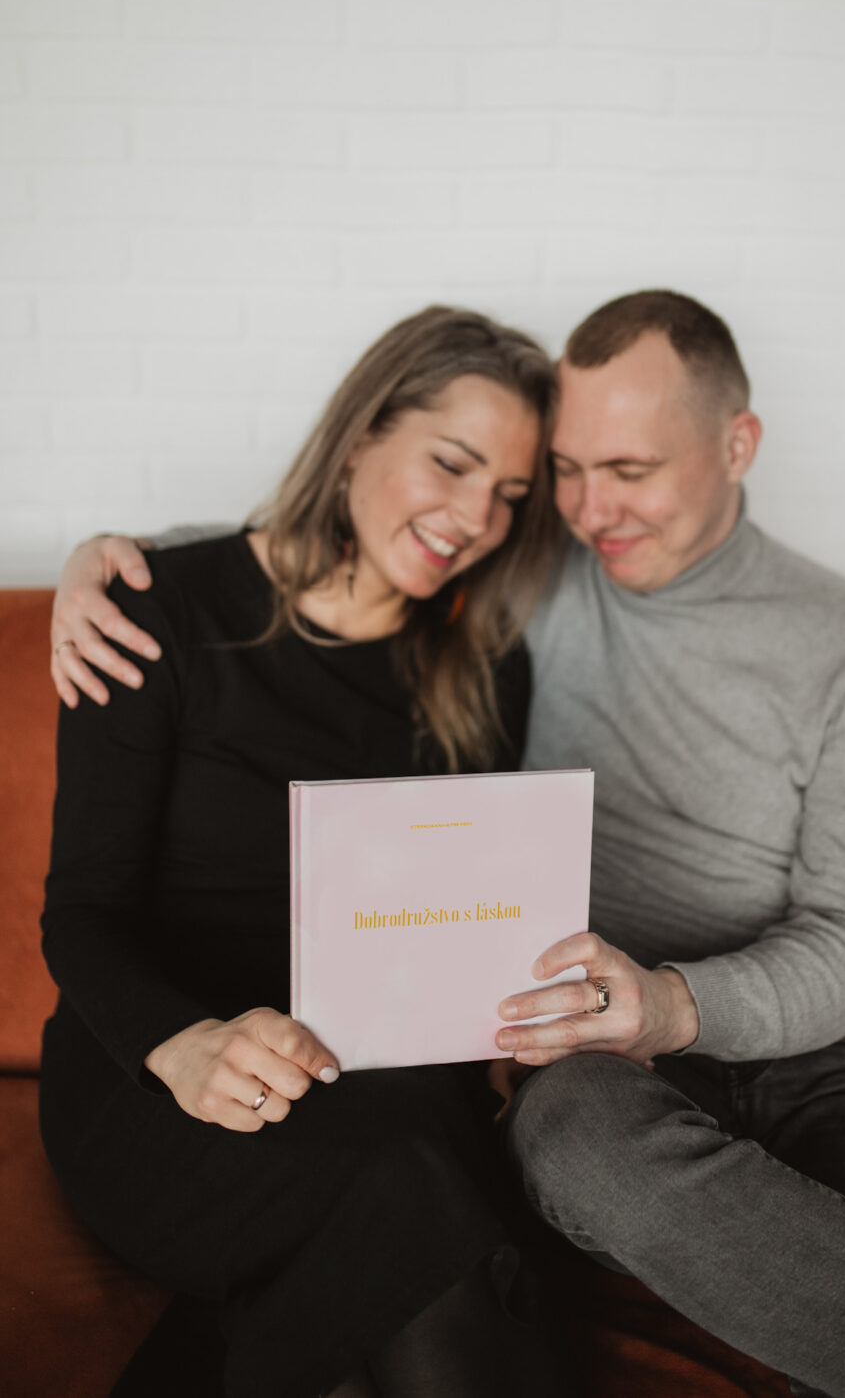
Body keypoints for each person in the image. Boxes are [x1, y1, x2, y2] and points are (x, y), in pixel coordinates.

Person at [51, 292, 845, 1396]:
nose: (589, 511)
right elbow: (298, 573)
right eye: (566, 472)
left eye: (628, 470)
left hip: (824, 1049)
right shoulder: (529, 582)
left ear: (737, 445)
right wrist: (110, 559)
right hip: (587, 1045)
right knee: (548, 1157)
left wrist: (670, 1004)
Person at [39, 304, 567, 1398]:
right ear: (364, 432)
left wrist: (509, 1025)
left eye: (511, 494)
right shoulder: (153, 615)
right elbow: (82, 913)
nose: (476, 518)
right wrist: (183, 1046)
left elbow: (459, 932)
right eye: (452, 463)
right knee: (423, 1212)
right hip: (157, 1071)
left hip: (371, 1078)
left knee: (416, 1188)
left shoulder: (482, 672)